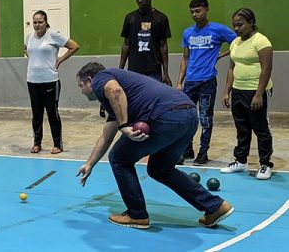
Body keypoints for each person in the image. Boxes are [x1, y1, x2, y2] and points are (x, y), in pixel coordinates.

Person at [75, 62, 233, 229]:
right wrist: (90, 164)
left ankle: (137, 215)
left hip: (166, 115)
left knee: (119, 158)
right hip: (188, 115)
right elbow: (106, 137)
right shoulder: (119, 98)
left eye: (81, 86)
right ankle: (215, 206)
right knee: (160, 169)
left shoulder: (101, 79)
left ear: (90, 80)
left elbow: (115, 91)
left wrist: (123, 126)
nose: (82, 91)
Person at [175, 0, 236, 165]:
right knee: (186, 117)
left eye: (198, 11)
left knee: (205, 118)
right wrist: (180, 82)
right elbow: (185, 58)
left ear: (206, 9)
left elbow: (238, 43)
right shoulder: (188, 33)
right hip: (190, 82)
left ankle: (203, 152)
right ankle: (187, 150)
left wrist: (221, 55)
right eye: (192, 12)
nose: (195, 14)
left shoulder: (218, 29)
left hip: (207, 82)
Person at [221, 8, 274, 180]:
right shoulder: (235, 42)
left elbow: (267, 69)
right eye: (234, 25)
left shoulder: (261, 41)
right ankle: (241, 161)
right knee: (242, 128)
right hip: (238, 90)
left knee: (260, 128)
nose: (236, 28)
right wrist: (227, 91)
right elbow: (231, 68)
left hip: (255, 91)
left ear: (251, 23)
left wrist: (259, 94)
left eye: (240, 24)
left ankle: (265, 164)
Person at [24, 10, 80, 154]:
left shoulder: (53, 35)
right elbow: (26, 49)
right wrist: (35, 62)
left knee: (52, 113)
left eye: (40, 22)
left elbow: (74, 46)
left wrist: (59, 60)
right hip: (32, 80)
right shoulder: (30, 36)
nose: (37, 25)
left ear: (46, 22)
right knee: (36, 115)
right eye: (35, 22)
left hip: (49, 81)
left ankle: (58, 144)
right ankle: (37, 143)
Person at [119, 0, 172, 85]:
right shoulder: (130, 18)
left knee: (153, 99)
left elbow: (163, 46)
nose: (140, 0)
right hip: (134, 71)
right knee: (134, 100)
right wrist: (120, 70)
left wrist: (165, 73)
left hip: (153, 71)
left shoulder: (161, 18)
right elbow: (126, 45)